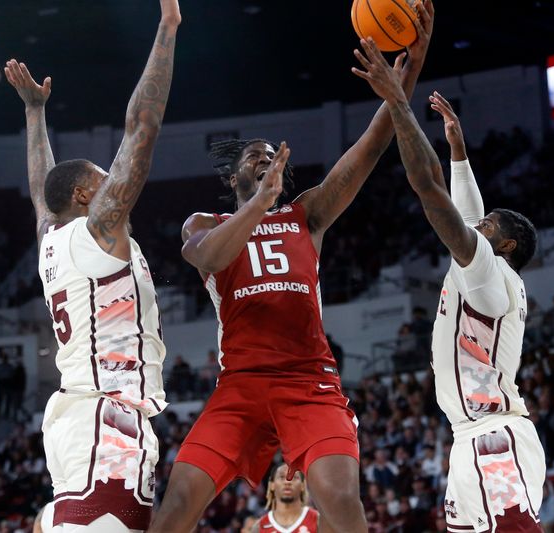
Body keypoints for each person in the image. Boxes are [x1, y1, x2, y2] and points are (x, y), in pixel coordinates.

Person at [146, 4, 434, 532]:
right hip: (241, 383)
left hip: (308, 380)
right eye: (253, 156)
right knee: (176, 504)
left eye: (269, 155)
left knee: (342, 501)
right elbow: (209, 258)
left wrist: (409, 68)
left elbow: (371, 147)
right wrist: (257, 207)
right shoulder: (203, 222)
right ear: (234, 175)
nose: (262, 159)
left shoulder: (309, 215)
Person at [4, 0, 180, 530]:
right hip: (104, 417)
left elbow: (42, 191)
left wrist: (36, 114)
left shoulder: (50, 237)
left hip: (83, 417)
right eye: (106, 182)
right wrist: (168, 27)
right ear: (85, 196)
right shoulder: (97, 231)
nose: (115, 188)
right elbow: (141, 128)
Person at [372, 48, 545, 530]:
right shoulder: (485, 269)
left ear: (505, 244)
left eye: (487, 226)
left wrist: (398, 106)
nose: (476, 227)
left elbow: (430, 191)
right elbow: (467, 210)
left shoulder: (491, 275)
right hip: (468, 436)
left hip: (495, 434)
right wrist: (458, 150)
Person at [250, 464, 320, 533]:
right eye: (281, 477)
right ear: (272, 485)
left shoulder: (318, 521)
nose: (287, 482)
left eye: (294, 477)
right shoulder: (259, 527)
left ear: (302, 485)